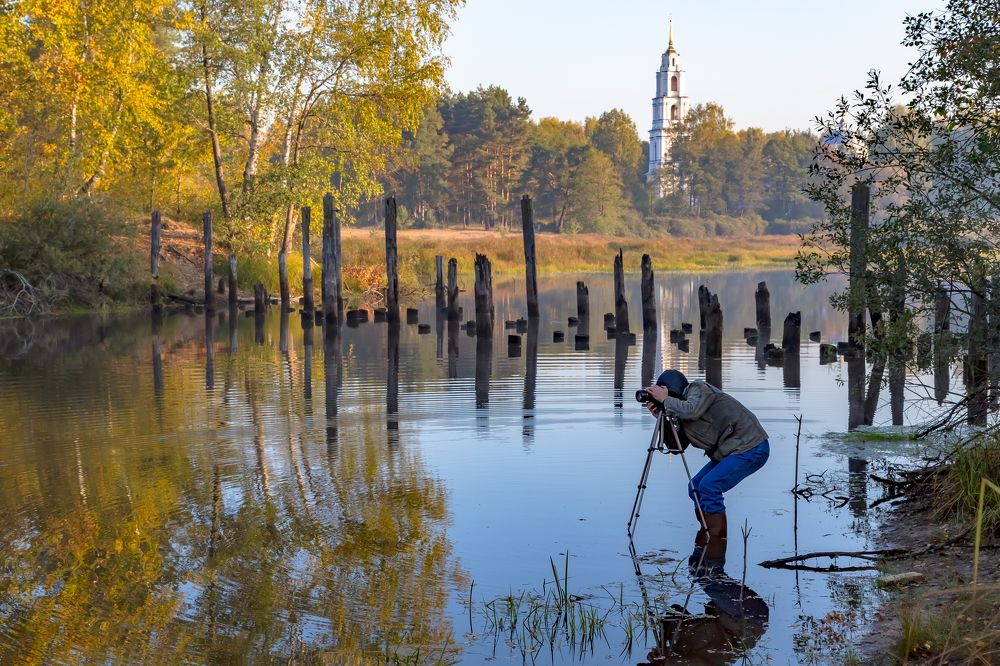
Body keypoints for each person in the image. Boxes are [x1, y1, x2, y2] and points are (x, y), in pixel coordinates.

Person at [643, 369, 769, 559]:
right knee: (695, 487)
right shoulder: (676, 409)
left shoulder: (698, 389)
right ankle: (706, 534)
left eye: (661, 391)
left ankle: (717, 540)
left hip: (751, 446)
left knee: (710, 486)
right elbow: (677, 447)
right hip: (731, 451)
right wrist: (661, 419)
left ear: (671, 389)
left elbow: (692, 409)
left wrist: (666, 401)